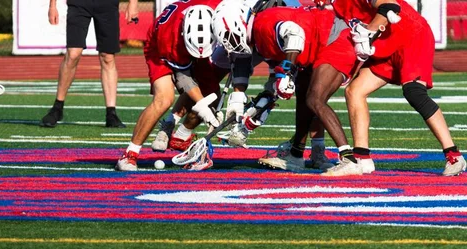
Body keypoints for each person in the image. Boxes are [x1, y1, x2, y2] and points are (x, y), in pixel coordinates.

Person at [320, 0, 466, 176]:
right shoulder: (337, 5)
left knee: (414, 92)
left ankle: (454, 155)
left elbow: (390, 5)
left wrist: (368, 32)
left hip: (411, 36)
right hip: (386, 44)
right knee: (354, 91)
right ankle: (362, 158)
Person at [212, 1, 358, 174]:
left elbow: (295, 33)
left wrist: (287, 72)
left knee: (315, 99)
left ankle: (349, 158)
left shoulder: (262, 23)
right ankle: (296, 155)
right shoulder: (258, 39)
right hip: (319, 45)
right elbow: (275, 84)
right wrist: (252, 115)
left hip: (335, 38)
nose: (232, 43)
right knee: (304, 96)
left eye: (232, 37)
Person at [115, 1, 223, 171]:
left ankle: (180, 136)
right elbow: (184, 80)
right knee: (164, 99)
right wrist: (205, 109)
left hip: (194, 41)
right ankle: (129, 154)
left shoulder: (219, 8)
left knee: (212, 91)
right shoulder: (169, 39)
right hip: (159, 48)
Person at [41, 0, 139, 128]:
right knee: (73, 54)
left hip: (107, 4)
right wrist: (52, 6)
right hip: (79, 3)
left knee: (107, 57)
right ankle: (57, 107)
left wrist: (133, 3)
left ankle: (111, 113)